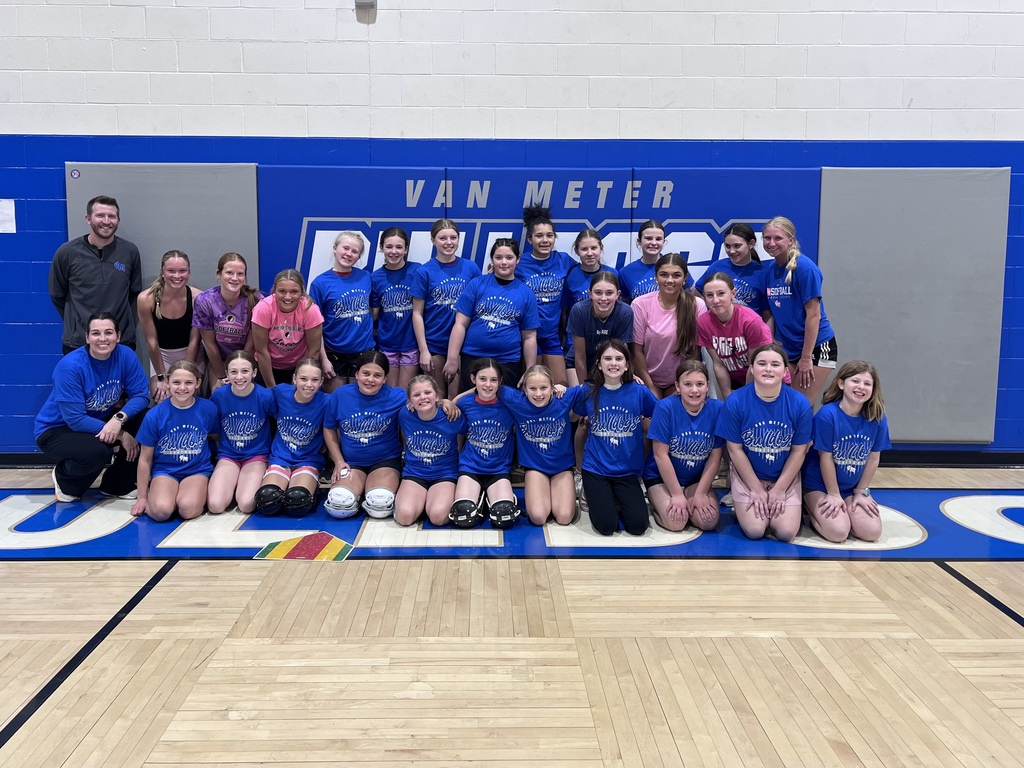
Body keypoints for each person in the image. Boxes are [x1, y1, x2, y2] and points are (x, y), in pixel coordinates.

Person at [35, 312, 149, 502]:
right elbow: (75, 419)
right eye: (96, 333)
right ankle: (65, 479)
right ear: (87, 338)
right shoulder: (70, 366)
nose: (103, 339)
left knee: (147, 420)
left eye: (109, 333)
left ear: (118, 336)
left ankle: (116, 485)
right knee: (97, 452)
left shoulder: (125, 355)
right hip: (57, 429)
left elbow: (141, 395)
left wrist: (118, 419)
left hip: (100, 421)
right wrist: (121, 435)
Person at [717, 343, 812, 542]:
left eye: (775, 364)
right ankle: (740, 502)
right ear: (752, 368)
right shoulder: (736, 401)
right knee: (755, 530)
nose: (768, 369)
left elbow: (799, 451)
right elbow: (734, 451)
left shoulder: (799, 403)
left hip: (784, 476)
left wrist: (779, 489)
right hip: (749, 475)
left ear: (786, 371)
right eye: (761, 363)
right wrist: (756, 488)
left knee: (786, 533)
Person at [573, 339, 658, 536]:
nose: (613, 363)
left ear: (627, 364)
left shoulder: (639, 391)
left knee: (638, 526)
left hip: (627, 471)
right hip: (596, 469)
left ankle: (616, 497)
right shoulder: (588, 390)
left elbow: (661, 412)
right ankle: (591, 490)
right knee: (606, 526)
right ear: (599, 364)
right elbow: (573, 412)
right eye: (608, 358)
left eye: (619, 359)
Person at [803, 361, 891, 543]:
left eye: (867, 384)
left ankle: (847, 508)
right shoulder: (827, 415)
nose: (861, 387)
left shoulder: (877, 417)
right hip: (820, 485)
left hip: (851, 488)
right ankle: (808, 508)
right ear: (841, 384)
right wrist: (833, 494)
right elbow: (825, 458)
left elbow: (874, 458)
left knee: (871, 532)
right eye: (855, 381)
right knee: (838, 533)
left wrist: (861, 491)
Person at [49, 195, 143, 354]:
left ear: (118, 220)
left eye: (112, 216)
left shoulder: (130, 252)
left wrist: (123, 327)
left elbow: (135, 293)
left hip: (121, 342)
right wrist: (77, 324)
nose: (106, 221)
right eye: (100, 215)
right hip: (78, 342)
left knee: (118, 380)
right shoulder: (67, 252)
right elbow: (57, 294)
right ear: (88, 218)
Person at [443, 238, 540, 391]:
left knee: (504, 408)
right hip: (473, 357)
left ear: (518, 259)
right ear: (492, 260)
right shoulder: (476, 284)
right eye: (498, 257)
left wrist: (530, 370)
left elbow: (529, 337)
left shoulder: (526, 293)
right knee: (473, 406)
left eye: (509, 258)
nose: (504, 262)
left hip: (508, 361)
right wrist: (452, 358)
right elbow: (460, 324)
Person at [322, 351, 407, 521]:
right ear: (356, 374)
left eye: (377, 375)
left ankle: (370, 489)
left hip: (385, 460)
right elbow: (329, 428)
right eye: (366, 374)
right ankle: (358, 489)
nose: (370, 379)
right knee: (339, 505)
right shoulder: (340, 395)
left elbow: (426, 400)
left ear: (385, 379)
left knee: (379, 504)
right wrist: (338, 461)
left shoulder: (397, 397)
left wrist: (448, 402)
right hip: (351, 462)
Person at [130, 361, 218, 522]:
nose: (182, 388)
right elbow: (145, 459)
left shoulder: (208, 409)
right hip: (165, 471)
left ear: (198, 383)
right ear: (168, 383)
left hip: (197, 470)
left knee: (187, 509)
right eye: (176, 382)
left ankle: (190, 495)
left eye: (188, 383)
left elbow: (217, 438)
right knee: (161, 512)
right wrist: (142, 497)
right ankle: (159, 495)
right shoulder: (155, 415)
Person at [762, 216, 837, 405]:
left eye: (778, 238)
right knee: (783, 405)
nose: (771, 243)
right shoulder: (771, 269)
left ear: (791, 240)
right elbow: (773, 313)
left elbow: (814, 315)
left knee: (798, 407)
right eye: (767, 238)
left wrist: (805, 359)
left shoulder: (805, 269)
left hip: (816, 349)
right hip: (789, 349)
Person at [644, 361, 724, 532]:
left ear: (707, 386)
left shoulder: (717, 409)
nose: (694, 390)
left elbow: (715, 456)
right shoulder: (665, 407)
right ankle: (655, 504)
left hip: (695, 479)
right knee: (676, 522)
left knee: (708, 522)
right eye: (688, 384)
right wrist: (677, 495)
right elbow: (660, 455)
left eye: (700, 384)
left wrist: (701, 493)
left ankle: (690, 498)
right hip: (661, 478)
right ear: (677, 387)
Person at [496, 365, 580, 526]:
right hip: (535, 468)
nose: (539, 394)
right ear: (525, 390)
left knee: (564, 517)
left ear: (552, 388)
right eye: (533, 388)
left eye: (544, 388)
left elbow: (594, 386)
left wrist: (628, 379)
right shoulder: (517, 401)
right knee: (538, 517)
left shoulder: (564, 397)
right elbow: (486, 387)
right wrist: (451, 401)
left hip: (562, 467)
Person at [411, 219, 480, 399]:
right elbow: (417, 313)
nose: (448, 242)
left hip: (464, 346)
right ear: (433, 240)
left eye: (453, 237)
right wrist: (424, 350)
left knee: (457, 399)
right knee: (437, 398)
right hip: (435, 344)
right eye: (442, 238)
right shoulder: (424, 271)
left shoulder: (471, 268)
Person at [252, 358, 330, 518]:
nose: (309, 384)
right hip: (280, 459)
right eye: (303, 379)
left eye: (315, 380)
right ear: (294, 378)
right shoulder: (280, 393)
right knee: (267, 500)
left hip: (308, 460)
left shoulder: (326, 402)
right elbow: (256, 397)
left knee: (297, 502)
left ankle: (312, 490)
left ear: (321, 381)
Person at [449, 359, 519, 529]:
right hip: (470, 467)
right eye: (482, 379)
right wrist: (446, 402)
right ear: (473, 379)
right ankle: (480, 498)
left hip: (498, 469)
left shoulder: (510, 404)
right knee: (463, 515)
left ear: (500, 382)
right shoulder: (465, 403)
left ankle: (489, 499)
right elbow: (450, 405)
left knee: (505, 516)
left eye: (493, 380)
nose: (488, 384)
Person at [207, 351, 276, 515]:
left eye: (245, 371)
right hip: (228, 456)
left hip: (256, 456)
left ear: (254, 372)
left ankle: (242, 486)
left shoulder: (265, 396)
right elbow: (213, 427)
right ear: (227, 374)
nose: (239, 377)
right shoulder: (218, 396)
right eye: (233, 372)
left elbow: (279, 423)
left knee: (246, 504)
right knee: (215, 506)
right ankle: (230, 487)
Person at [631, 253, 707, 399]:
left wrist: (683, 384)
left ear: (685, 278)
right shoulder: (640, 304)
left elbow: (694, 352)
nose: (670, 280)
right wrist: (650, 387)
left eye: (676, 275)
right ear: (656, 276)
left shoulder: (697, 305)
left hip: (682, 380)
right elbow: (636, 350)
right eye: (664, 275)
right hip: (647, 378)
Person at [394, 376, 467, 527]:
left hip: (445, 473)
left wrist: (448, 402)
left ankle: (430, 502)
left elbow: (468, 435)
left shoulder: (451, 416)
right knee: (405, 517)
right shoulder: (405, 415)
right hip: (415, 473)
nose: (423, 397)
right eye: (416, 395)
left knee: (438, 517)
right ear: (410, 401)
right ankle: (416, 502)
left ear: (437, 396)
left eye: (428, 392)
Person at [136, 250, 204, 404]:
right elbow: (152, 343)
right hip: (162, 356)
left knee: (189, 395)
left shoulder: (198, 298)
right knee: (162, 397)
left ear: (189, 272)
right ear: (162, 272)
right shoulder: (146, 299)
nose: (177, 276)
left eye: (182, 271)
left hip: (191, 355)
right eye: (171, 271)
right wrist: (161, 377)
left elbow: (195, 340)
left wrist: (186, 374)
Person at [515, 206, 573, 384]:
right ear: (530, 239)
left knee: (561, 386)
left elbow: (586, 273)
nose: (545, 240)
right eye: (539, 236)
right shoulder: (518, 262)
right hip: (525, 335)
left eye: (549, 235)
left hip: (551, 335)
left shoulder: (564, 260)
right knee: (532, 385)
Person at [698, 272, 781, 396]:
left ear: (733, 294)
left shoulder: (751, 321)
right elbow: (719, 364)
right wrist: (728, 398)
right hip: (735, 380)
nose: (715, 300)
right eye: (710, 295)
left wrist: (745, 399)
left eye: (721, 293)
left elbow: (755, 365)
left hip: (765, 380)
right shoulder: (703, 322)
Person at [309, 231, 374, 392]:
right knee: (335, 402)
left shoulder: (366, 277)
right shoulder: (320, 283)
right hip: (334, 354)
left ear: (359, 256)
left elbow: (373, 310)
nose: (348, 254)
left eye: (354, 251)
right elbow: (315, 327)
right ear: (335, 248)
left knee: (358, 403)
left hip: (363, 352)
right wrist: (323, 359)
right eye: (345, 248)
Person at [193, 252, 263, 394]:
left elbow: (251, 344)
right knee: (219, 393)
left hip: (245, 360)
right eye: (229, 273)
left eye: (240, 274)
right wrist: (223, 376)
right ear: (219, 274)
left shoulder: (256, 301)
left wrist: (238, 372)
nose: (235, 278)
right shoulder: (205, 301)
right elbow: (209, 343)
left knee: (243, 395)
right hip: (217, 360)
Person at [251, 269, 326, 389]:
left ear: (302, 292)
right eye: (282, 291)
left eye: (294, 292)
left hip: (299, 367)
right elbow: (261, 351)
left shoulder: (310, 310)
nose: (288, 297)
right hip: (268, 367)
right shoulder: (263, 308)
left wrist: (298, 384)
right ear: (274, 290)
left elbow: (314, 350)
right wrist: (272, 388)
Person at [371, 227, 421, 390]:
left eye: (399, 247)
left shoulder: (417, 271)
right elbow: (374, 315)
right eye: (389, 246)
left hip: (411, 344)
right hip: (387, 344)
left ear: (406, 249)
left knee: (404, 394)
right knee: (390, 394)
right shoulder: (376, 277)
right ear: (381, 248)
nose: (394, 251)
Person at [566, 271, 634, 386]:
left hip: (609, 364)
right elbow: (580, 357)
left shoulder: (625, 312)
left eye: (609, 293)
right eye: (598, 293)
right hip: (580, 363)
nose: (603, 298)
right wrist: (585, 387)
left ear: (618, 294)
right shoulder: (579, 311)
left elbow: (621, 354)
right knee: (579, 397)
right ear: (590, 294)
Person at [695, 223, 768, 316]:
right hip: (717, 328)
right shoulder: (717, 267)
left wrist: (765, 331)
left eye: (737, 246)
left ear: (751, 244)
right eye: (727, 246)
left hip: (749, 328)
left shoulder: (763, 273)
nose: (731, 251)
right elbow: (696, 294)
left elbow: (767, 313)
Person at [563, 229, 617, 311]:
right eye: (584, 249)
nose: (589, 253)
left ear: (601, 248)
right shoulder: (570, 275)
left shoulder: (613, 274)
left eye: (594, 248)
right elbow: (565, 310)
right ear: (576, 251)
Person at [618, 219, 666, 303]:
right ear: (639, 241)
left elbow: (689, 297)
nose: (654, 243)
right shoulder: (626, 272)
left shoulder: (675, 267)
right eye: (648, 238)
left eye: (658, 239)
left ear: (664, 242)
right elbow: (624, 306)